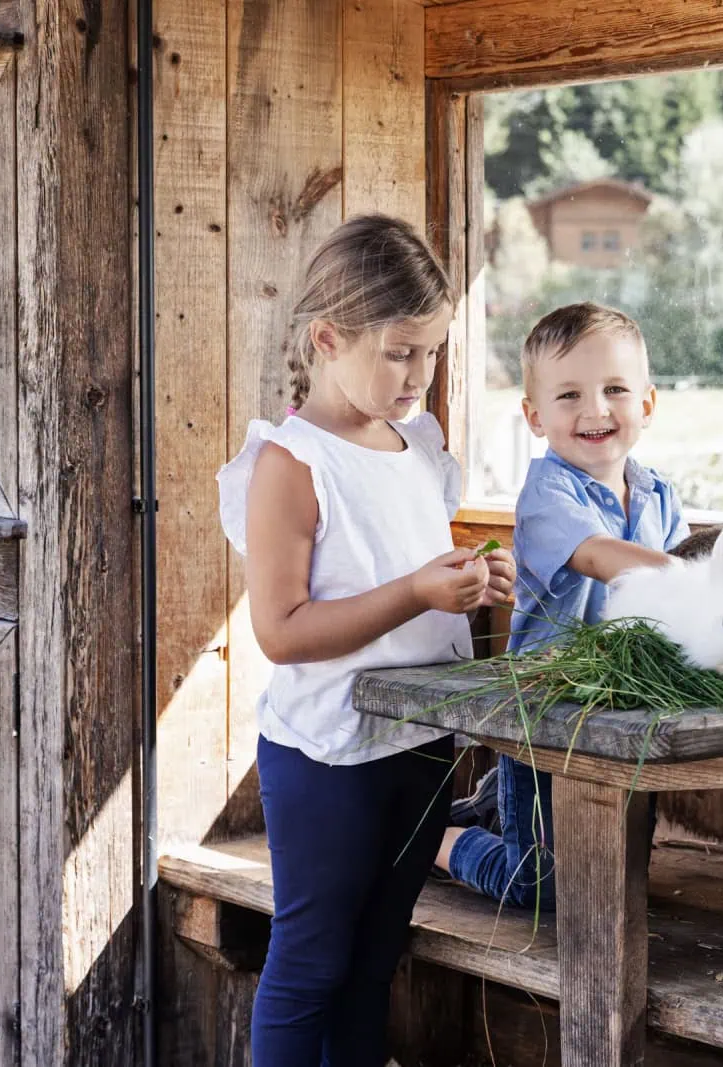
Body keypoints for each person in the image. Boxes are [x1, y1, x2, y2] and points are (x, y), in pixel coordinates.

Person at [217, 214, 515, 1065]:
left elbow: (418, 578)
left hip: (421, 745)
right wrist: (419, 589)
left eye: (432, 353)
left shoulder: (416, 444)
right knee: (311, 962)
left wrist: (470, 582)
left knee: (375, 962)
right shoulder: (291, 463)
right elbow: (281, 630)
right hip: (326, 759)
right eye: (399, 352)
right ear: (327, 337)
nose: (420, 374)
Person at [438, 301, 687, 908]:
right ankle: (434, 838)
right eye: (569, 395)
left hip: (621, 709)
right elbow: (601, 556)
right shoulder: (547, 493)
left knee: (614, 871)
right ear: (535, 415)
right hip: (547, 708)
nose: (595, 410)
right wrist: (699, 579)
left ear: (647, 404)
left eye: (615, 390)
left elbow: (678, 602)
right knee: (542, 884)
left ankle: (496, 805)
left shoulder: (658, 494)